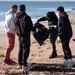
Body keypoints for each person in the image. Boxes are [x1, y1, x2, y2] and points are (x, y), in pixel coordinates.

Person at [15, 4, 37, 71]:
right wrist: (36, 30)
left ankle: (20, 64)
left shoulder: (17, 17)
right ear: (25, 9)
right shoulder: (26, 17)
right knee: (25, 50)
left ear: (19, 9)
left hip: (19, 35)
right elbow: (30, 27)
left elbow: (15, 26)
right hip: (25, 36)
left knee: (20, 50)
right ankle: (24, 65)